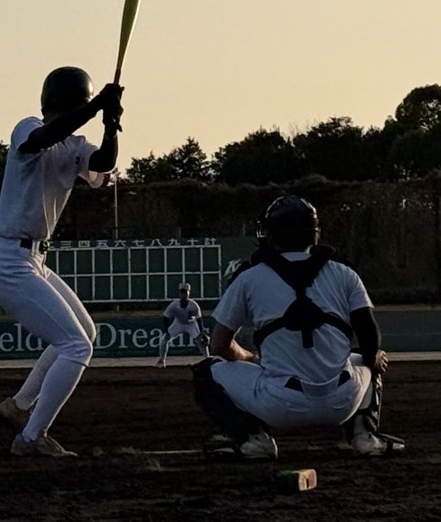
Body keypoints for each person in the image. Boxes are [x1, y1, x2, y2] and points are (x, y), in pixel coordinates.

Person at [195, 195, 402, 461]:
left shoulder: (250, 277)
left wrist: (249, 358)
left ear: (272, 234)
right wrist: (373, 356)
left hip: (281, 404)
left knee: (206, 372)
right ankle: (365, 437)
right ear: (314, 234)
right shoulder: (344, 273)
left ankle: (255, 441)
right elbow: (369, 334)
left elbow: (219, 346)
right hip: (343, 403)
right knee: (367, 356)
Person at [0, 66, 122, 458]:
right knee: (76, 346)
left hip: (32, 259)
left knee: (85, 334)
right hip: (7, 258)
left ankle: (19, 406)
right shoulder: (27, 127)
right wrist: (97, 107)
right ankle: (31, 438)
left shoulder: (77, 144)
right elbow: (45, 137)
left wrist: (110, 124)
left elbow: (104, 163)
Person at [156, 284, 204, 367]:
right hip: (178, 323)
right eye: (182, 292)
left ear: (189, 293)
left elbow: (199, 319)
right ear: (179, 293)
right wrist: (166, 330)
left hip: (191, 324)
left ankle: (209, 359)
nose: (183, 294)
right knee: (164, 339)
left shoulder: (194, 305)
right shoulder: (174, 305)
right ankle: (162, 360)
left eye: (185, 292)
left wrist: (202, 332)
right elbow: (166, 317)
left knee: (201, 340)